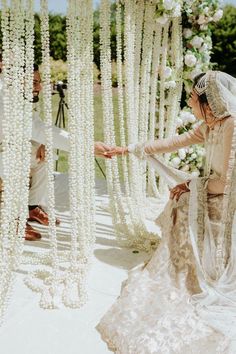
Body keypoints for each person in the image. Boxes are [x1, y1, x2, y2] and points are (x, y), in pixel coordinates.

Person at [97, 71, 236, 353]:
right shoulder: (210, 125)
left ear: (209, 103)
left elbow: (228, 183)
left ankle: (196, 270)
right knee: (180, 201)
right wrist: (126, 150)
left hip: (229, 199)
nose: (188, 102)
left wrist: (190, 185)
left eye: (192, 98)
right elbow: (172, 142)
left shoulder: (232, 126)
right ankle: (180, 267)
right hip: (212, 189)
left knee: (183, 201)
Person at [0, 62, 113, 241]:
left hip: (13, 143)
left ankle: (31, 207)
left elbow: (33, 125)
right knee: (16, 160)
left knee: (44, 155)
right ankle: (11, 218)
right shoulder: (5, 96)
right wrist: (87, 146)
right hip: (4, 150)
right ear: (16, 82)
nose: (38, 87)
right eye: (32, 82)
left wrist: (45, 143)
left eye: (38, 81)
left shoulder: (22, 95)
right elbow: (33, 127)